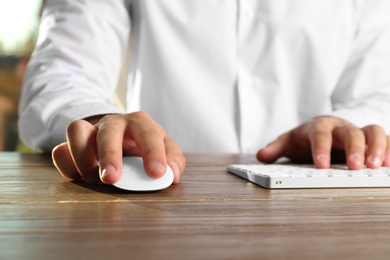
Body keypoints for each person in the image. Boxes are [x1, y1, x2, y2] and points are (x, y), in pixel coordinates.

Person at [19, 0, 390, 185]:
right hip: (161, 207)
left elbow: (379, 91)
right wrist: (98, 121)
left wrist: (345, 127)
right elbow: (62, 70)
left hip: (321, 205)